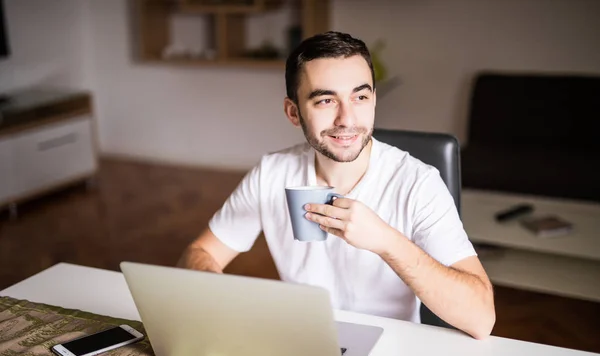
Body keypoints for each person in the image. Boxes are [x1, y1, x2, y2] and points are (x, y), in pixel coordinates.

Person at [177, 31, 495, 339]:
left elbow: (481, 319)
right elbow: (201, 252)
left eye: (360, 97)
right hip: (304, 345)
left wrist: (386, 241)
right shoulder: (271, 173)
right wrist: (218, 295)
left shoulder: (418, 183)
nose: (346, 118)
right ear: (293, 112)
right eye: (326, 100)